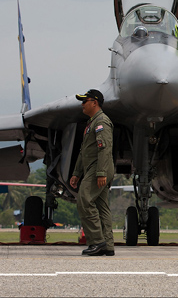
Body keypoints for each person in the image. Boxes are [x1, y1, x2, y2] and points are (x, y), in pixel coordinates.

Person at [70, 89, 115, 256]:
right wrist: (76, 173)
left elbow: (104, 148)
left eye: (85, 101)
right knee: (101, 206)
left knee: (84, 200)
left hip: (98, 168)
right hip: (93, 168)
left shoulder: (101, 122)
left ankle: (97, 242)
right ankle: (108, 245)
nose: (82, 104)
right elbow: (84, 151)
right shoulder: (92, 123)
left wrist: (101, 172)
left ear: (94, 102)